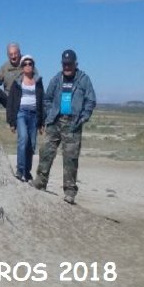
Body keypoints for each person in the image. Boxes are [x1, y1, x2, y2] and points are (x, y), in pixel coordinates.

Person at [32, 49, 96, 205]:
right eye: (64, 64)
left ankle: (69, 191)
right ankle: (40, 182)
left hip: (73, 124)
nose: (67, 67)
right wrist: (49, 114)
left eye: (69, 64)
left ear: (75, 64)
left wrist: (84, 117)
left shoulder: (83, 79)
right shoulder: (56, 79)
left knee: (70, 159)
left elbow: (90, 100)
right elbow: (47, 99)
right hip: (55, 121)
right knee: (46, 152)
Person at [6, 55, 44, 182]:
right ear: (22, 67)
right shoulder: (17, 83)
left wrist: (41, 122)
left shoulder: (38, 82)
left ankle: (27, 172)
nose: (27, 66)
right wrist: (11, 121)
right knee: (23, 139)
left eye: (30, 64)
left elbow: (42, 101)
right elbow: (10, 102)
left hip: (34, 115)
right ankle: (20, 170)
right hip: (21, 113)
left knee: (31, 145)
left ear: (33, 66)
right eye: (25, 64)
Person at [0, 43, 28, 133]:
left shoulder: (27, 63)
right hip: (9, 100)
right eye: (11, 54)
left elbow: (36, 80)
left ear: (19, 53)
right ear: (8, 55)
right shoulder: (5, 67)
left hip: (23, 100)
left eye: (15, 54)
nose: (13, 56)